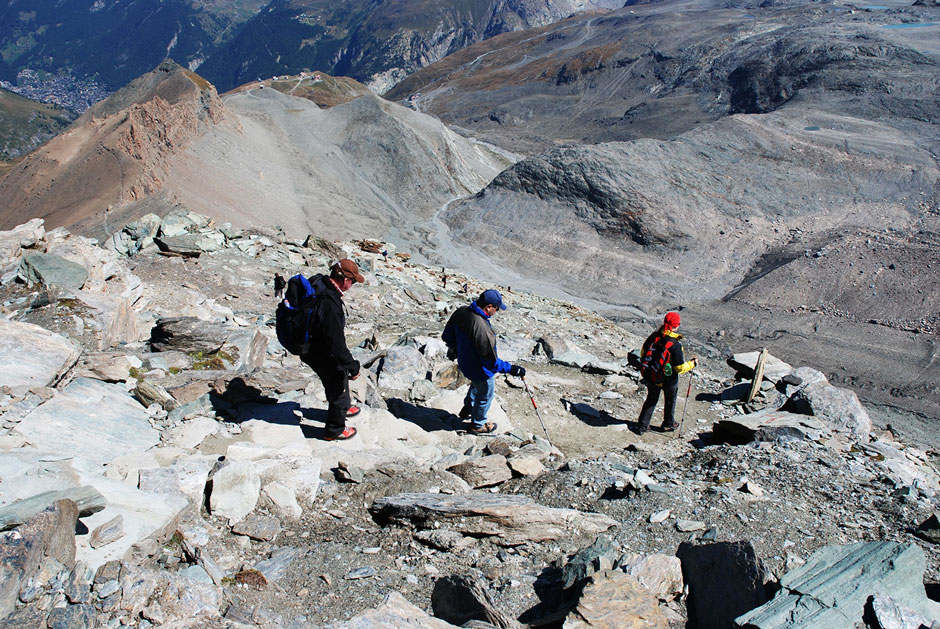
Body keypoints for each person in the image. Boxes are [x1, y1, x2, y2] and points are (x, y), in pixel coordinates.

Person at [442, 289, 526, 434]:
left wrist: (457, 348)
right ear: (488, 307)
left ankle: (467, 408)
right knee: (485, 394)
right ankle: (477, 425)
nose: (497, 311)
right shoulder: (483, 329)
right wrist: (512, 369)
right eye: (497, 308)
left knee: (476, 386)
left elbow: (447, 336)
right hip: (480, 369)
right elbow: (491, 362)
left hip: (464, 362)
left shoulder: (461, 312)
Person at [301, 259, 365, 441]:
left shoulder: (320, 282)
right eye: (352, 281)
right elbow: (336, 344)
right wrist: (352, 366)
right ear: (345, 280)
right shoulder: (330, 304)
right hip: (315, 349)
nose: (352, 285)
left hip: (312, 344)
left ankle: (343, 408)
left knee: (338, 374)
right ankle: (334, 430)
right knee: (337, 381)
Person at [636, 311, 697, 434]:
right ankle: (669, 424)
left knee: (651, 399)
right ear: (676, 326)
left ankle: (642, 426)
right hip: (669, 379)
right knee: (670, 399)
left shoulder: (654, 336)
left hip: (652, 375)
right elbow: (679, 368)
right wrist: (692, 364)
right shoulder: (675, 345)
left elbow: (643, 353)